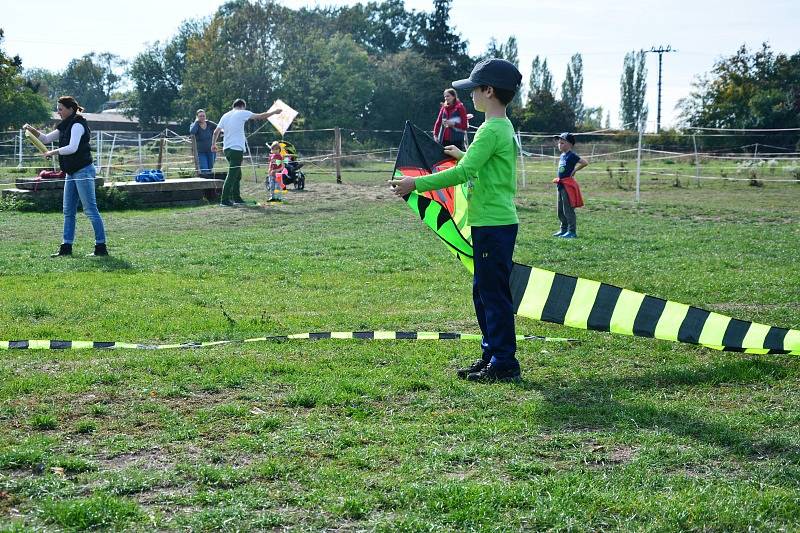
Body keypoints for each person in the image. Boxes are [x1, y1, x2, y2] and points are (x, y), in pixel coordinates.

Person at [391, 58, 523, 383]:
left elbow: (465, 174)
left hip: (493, 225)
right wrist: (460, 153)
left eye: (475, 90)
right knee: (483, 293)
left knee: (493, 295)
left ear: (488, 91)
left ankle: (504, 363)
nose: (470, 97)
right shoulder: (498, 129)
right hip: (489, 223)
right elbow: (479, 167)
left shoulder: (491, 130)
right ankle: (491, 355)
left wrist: (415, 184)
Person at [23, 96, 108, 257]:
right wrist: (32, 130)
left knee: (90, 210)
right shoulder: (65, 125)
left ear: (70, 109)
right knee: (68, 211)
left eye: (60, 109)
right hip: (71, 172)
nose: (58, 112)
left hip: (83, 171)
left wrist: (52, 153)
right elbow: (46, 139)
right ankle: (66, 248)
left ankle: (101, 247)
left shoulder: (77, 124)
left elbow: (72, 147)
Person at [211, 99, 281, 206]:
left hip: (227, 149)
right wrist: (274, 112)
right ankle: (224, 200)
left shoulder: (225, 115)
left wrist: (213, 144)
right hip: (236, 149)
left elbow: (216, 131)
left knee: (237, 175)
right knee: (232, 174)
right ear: (242, 106)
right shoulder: (242, 112)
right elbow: (261, 116)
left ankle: (237, 198)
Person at [551, 132, 588, 238]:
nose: (559, 144)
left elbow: (585, 162)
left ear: (570, 144)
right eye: (559, 142)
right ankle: (563, 230)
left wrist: (575, 170)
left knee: (568, 209)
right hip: (560, 184)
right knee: (560, 210)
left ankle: (572, 231)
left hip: (567, 185)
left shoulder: (572, 155)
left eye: (562, 142)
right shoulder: (562, 155)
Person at [189, 109, 217, 176]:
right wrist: (196, 122)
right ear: (197, 117)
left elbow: (219, 127)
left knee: (210, 168)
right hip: (200, 152)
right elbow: (192, 132)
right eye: (200, 116)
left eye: (203, 116)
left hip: (211, 151)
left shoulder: (209, 124)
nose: (202, 117)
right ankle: (205, 183)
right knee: (204, 169)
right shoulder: (194, 125)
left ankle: (209, 184)